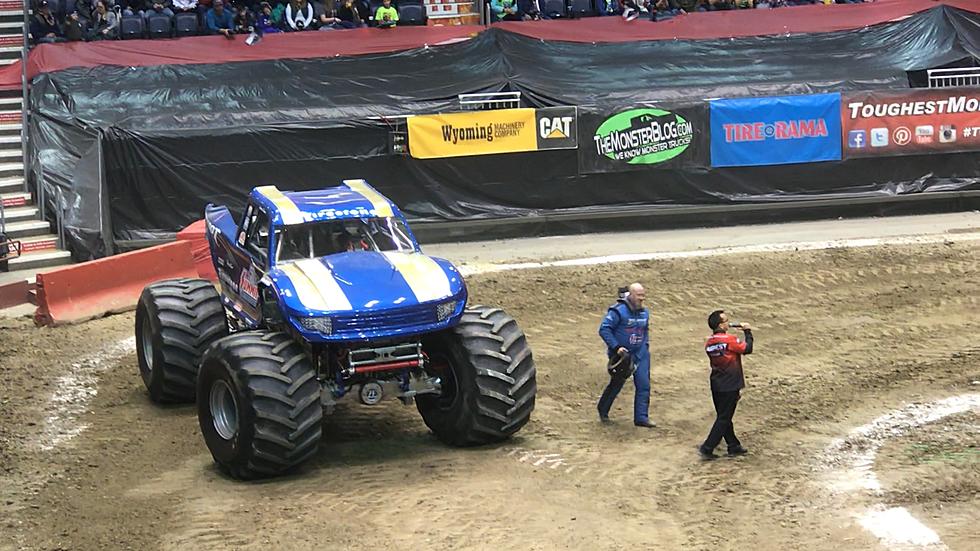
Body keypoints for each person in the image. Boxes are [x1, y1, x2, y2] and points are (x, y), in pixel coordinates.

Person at [597, 283, 655, 428]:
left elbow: (645, 331)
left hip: (640, 354)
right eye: (639, 296)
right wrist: (616, 348)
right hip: (622, 356)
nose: (642, 299)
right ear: (630, 295)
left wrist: (645, 346)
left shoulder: (645, 313)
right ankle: (603, 410)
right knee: (617, 384)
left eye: (643, 296)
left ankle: (641, 418)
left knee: (644, 385)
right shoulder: (617, 312)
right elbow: (604, 330)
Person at [698, 310, 753, 460]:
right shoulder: (730, 339)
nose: (728, 323)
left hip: (717, 383)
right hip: (730, 383)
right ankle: (707, 447)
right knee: (724, 418)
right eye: (726, 321)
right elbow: (747, 349)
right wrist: (748, 332)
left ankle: (733, 445)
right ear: (721, 325)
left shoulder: (709, 342)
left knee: (724, 416)